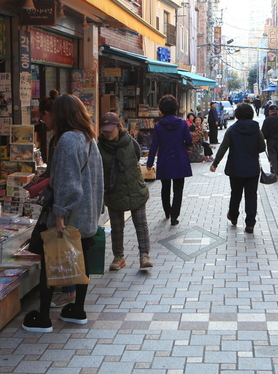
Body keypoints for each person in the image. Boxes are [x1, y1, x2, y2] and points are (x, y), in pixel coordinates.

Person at [22, 94, 104, 333]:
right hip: (86, 214)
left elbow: (69, 183)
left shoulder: (68, 139)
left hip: (71, 215)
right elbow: (96, 180)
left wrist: (59, 213)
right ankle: (78, 310)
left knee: (51, 261)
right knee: (82, 260)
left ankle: (44, 317)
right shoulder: (88, 137)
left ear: (61, 115)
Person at [33, 90, 75, 308]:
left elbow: (63, 179)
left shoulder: (64, 140)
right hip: (69, 205)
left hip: (64, 206)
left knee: (61, 245)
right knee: (64, 247)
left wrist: (59, 212)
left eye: (43, 116)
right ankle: (69, 291)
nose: (42, 121)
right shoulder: (75, 138)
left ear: (52, 114)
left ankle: (68, 292)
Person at [97, 113, 153, 270]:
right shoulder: (99, 147)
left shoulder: (131, 143)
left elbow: (136, 160)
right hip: (114, 191)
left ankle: (144, 255)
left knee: (141, 224)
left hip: (135, 189)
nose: (107, 133)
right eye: (104, 130)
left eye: (110, 129)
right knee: (116, 227)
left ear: (118, 127)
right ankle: (118, 257)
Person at [210, 103, 265, 233]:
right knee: (251, 195)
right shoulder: (256, 129)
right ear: (251, 114)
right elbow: (262, 148)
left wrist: (215, 163)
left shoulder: (232, 130)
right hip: (252, 168)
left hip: (235, 168)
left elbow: (223, 147)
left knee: (236, 193)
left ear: (238, 114)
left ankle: (234, 216)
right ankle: (250, 224)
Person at [146, 94, 193, 226]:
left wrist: (149, 163)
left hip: (165, 159)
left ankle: (167, 211)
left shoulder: (159, 125)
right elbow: (188, 140)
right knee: (178, 189)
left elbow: (154, 145)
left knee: (165, 187)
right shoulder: (182, 123)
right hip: (179, 158)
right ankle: (174, 216)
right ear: (175, 108)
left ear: (161, 109)